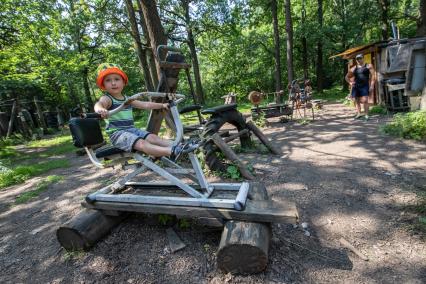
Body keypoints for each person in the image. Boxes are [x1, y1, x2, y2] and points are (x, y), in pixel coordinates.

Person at [93, 63, 195, 160]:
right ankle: (172, 151)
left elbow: (145, 104)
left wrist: (162, 105)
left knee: (153, 137)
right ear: (103, 85)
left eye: (117, 79)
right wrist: (100, 110)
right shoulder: (107, 99)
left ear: (123, 82)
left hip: (131, 130)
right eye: (108, 80)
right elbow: (99, 104)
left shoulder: (128, 99)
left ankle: (181, 146)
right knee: (142, 143)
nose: (113, 83)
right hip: (118, 134)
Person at [345, 54, 375, 120]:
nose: (359, 60)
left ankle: (366, 115)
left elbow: (373, 76)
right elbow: (346, 77)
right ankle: (358, 114)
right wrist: (350, 82)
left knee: (365, 100)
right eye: (357, 59)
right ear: (356, 60)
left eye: (360, 58)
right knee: (356, 100)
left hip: (365, 86)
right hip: (356, 86)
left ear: (363, 58)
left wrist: (372, 85)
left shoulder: (368, 66)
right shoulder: (354, 68)